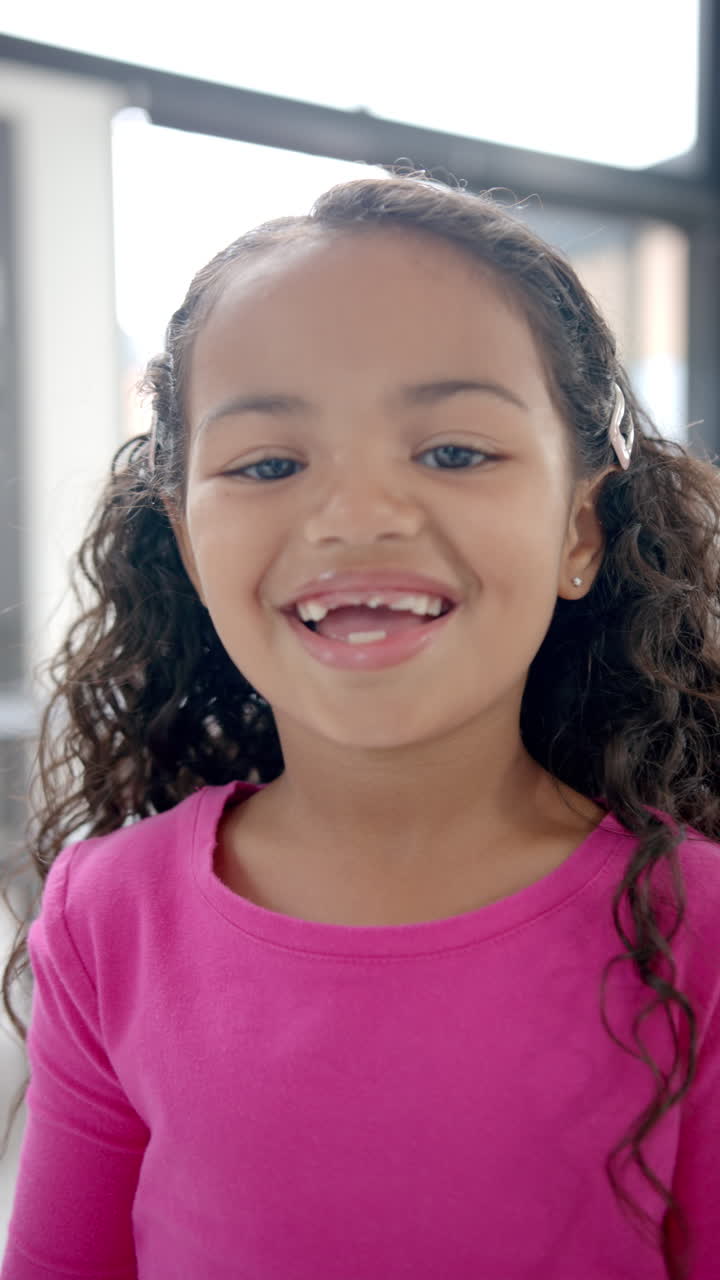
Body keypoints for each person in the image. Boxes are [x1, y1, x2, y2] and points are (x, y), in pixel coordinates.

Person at [2, 173, 719, 1280]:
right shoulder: (107, 916)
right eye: (270, 463)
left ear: (581, 529)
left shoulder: (698, 931)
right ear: (191, 547)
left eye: (453, 451)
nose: (357, 514)